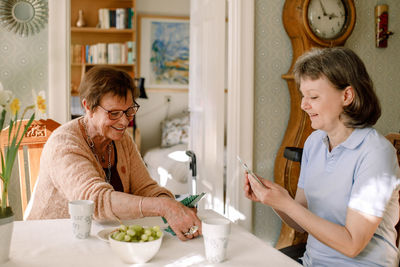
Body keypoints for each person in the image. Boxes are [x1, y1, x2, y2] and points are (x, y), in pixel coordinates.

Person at [244, 47, 399, 266]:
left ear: (346, 96)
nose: (303, 105)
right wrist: (275, 200)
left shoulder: (376, 153)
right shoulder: (314, 143)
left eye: (313, 96)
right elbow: (301, 220)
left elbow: (352, 244)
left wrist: (288, 205)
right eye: (303, 96)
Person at [26, 66, 201, 241]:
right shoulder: (64, 143)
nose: (124, 121)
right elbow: (95, 202)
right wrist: (164, 207)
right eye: (114, 113)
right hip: (51, 239)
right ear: (88, 107)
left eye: (129, 111)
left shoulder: (122, 140)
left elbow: (145, 188)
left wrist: (175, 206)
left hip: (97, 238)